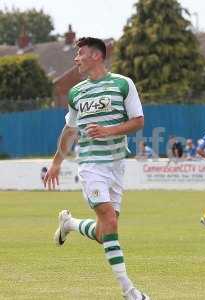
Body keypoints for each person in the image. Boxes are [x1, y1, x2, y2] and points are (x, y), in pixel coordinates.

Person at [43, 37, 150, 300]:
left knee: (105, 233)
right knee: (110, 222)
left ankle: (70, 224)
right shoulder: (76, 93)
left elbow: (138, 121)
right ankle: (129, 291)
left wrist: (108, 130)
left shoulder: (123, 84)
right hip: (90, 165)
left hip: (116, 167)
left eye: (80, 54)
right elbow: (70, 130)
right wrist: (57, 162)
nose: (75, 58)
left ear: (96, 56)